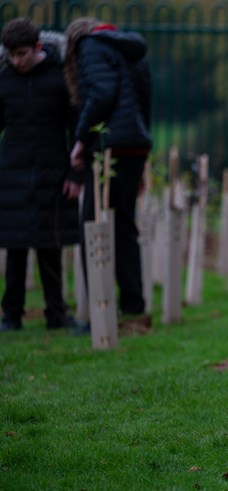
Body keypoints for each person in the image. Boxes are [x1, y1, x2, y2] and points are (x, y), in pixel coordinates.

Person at [64, 17, 152, 333]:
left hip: (107, 145)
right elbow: (144, 101)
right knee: (124, 225)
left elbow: (100, 93)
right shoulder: (130, 49)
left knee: (93, 225)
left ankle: (99, 311)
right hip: (135, 145)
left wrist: (80, 139)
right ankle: (133, 304)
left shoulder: (89, 47)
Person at [0, 18, 81, 332]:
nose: (16, 61)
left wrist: (76, 176)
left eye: (22, 53)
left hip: (53, 169)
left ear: (37, 47)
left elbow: (76, 128)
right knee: (15, 246)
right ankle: (11, 315)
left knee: (51, 245)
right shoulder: (4, 80)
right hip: (13, 171)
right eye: (11, 55)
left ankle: (56, 315)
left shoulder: (60, 78)